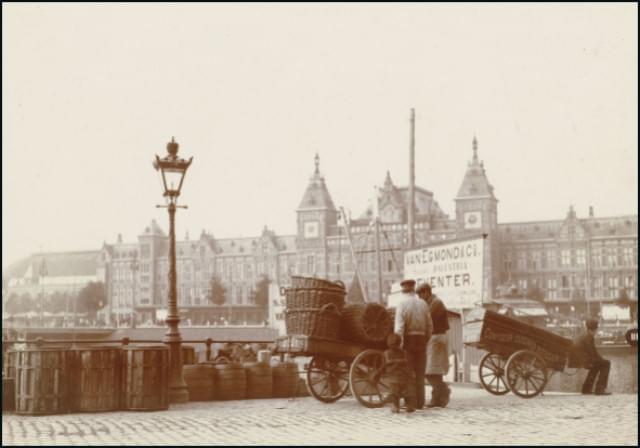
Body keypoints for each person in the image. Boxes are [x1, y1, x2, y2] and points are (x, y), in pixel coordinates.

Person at [394, 278, 433, 409]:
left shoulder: (401, 304)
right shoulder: (423, 303)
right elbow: (429, 326)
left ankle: (411, 402)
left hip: (408, 341)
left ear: (403, 290)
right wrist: (425, 338)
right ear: (413, 289)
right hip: (421, 340)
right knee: (420, 373)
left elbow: (399, 328)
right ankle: (420, 402)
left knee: (409, 372)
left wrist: (398, 345)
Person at [417, 282, 451, 408]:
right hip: (434, 338)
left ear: (427, 292)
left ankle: (443, 390)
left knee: (430, 370)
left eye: (421, 294)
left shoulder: (436, 303)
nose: (420, 297)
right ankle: (437, 399)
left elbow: (427, 319)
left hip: (437, 337)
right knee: (434, 370)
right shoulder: (431, 302)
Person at [575, 318, 611, 395]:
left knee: (598, 364)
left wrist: (600, 359)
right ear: (595, 329)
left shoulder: (584, 335)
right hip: (585, 360)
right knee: (607, 363)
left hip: (581, 359)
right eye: (596, 329)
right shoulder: (589, 337)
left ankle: (586, 389)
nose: (596, 331)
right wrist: (601, 359)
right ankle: (600, 389)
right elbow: (592, 352)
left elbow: (592, 352)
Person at [383, 333, 416, 413]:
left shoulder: (387, 352)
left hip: (395, 376)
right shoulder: (403, 352)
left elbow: (387, 363)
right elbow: (406, 362)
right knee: (403, 392)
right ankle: (406, 406)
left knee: (396, 393)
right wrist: (400, 361)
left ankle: (397, 406)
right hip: (401, 375)